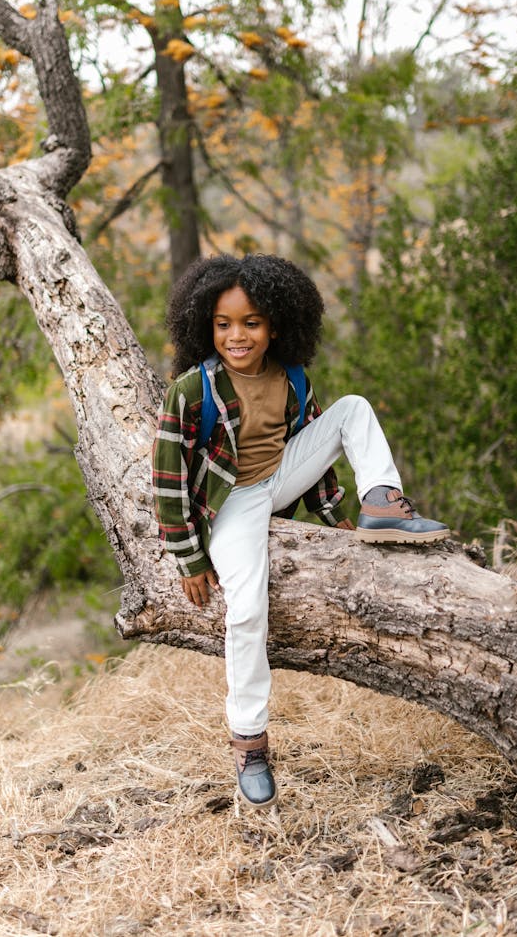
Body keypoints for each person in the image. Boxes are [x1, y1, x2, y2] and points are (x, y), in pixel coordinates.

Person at [152, 253, 448, 810]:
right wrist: (188, 558)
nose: (236, 336)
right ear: (204, 325)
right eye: (223, 324)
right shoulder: (192, 391)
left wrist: (337, 519)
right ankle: (249, 741)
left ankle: (382, 503)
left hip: (276, 483)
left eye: (251, 323)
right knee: (246, 609)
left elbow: (310, 453)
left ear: (277, 325)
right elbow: (167, 481)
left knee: (354, 409)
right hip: (231, 500)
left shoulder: (291, 377)